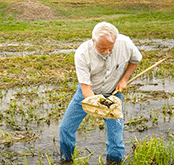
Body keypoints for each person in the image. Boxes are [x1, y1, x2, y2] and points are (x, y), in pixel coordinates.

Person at [59, 21, 142, 164]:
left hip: (113, 94)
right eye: (103, 48)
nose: (107, 52)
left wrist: (124, 80)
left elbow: (135, 60)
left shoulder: (125, 43)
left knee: (116, 136)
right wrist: (99, 106)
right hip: (88, 93)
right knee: (65, 128)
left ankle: (114, 161)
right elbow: (85, 87)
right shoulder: (82, 53)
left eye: (111, 48)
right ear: (93, 41)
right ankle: (66, 160)